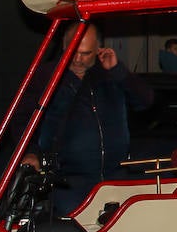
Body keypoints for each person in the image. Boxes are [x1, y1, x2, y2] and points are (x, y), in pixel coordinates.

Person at [19, 22, 154, 216]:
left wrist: (119, 71)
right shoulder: (46, 76)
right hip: (69, 180)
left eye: (86, 53)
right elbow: (22, 119)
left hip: (115, 176)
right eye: (72, 51)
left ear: (98, 49)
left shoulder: (109, 72)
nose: (77, 59)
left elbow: (146, 100)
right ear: (63, 46)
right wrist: (31, 152)